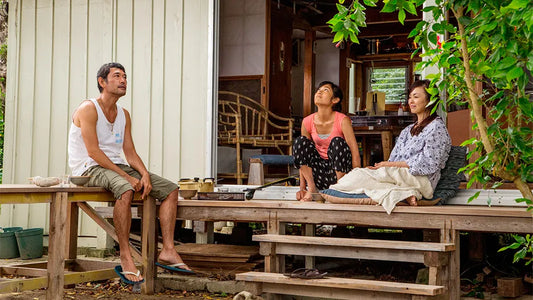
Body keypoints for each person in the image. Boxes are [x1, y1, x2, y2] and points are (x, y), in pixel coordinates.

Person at [68, 62, 192, 285]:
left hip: (114, 166)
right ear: (102, 82)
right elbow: (94, 152)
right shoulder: (88, 108)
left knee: (171, 189)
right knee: (125, 189)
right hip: (88, 167)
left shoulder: (123, 114)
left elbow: (129, 151)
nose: (123, 80)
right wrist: (127, 177)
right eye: (117, 76)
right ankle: (125, 256)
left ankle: (168, 250)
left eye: (125, 76)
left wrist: (143, 173)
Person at [367, 79, 451, 205]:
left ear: (430, 100)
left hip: (421, 180)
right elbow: (392, 160)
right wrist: (383, 167)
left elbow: (429, 164)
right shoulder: (407, 131)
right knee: (364, 174)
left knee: (366, 178)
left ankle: (405, 193)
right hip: (398, 176)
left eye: (416, 97)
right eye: (410, 97)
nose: (410, 101)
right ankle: (404, 194)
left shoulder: (436, 128)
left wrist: (388, 167)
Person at [293, 81, 361, 201]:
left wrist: (356, 182)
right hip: (318, 174)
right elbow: (302, 155)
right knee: (300, 141)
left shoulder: (343, 120)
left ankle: (340, 190)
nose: (319, 91)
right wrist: (302, 187)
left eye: (325, 90)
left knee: (337, 142)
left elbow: (354, 152)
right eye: (318, 89)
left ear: (334, 100)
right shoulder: (307, 121)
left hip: (340, 174)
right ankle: (312, 189)